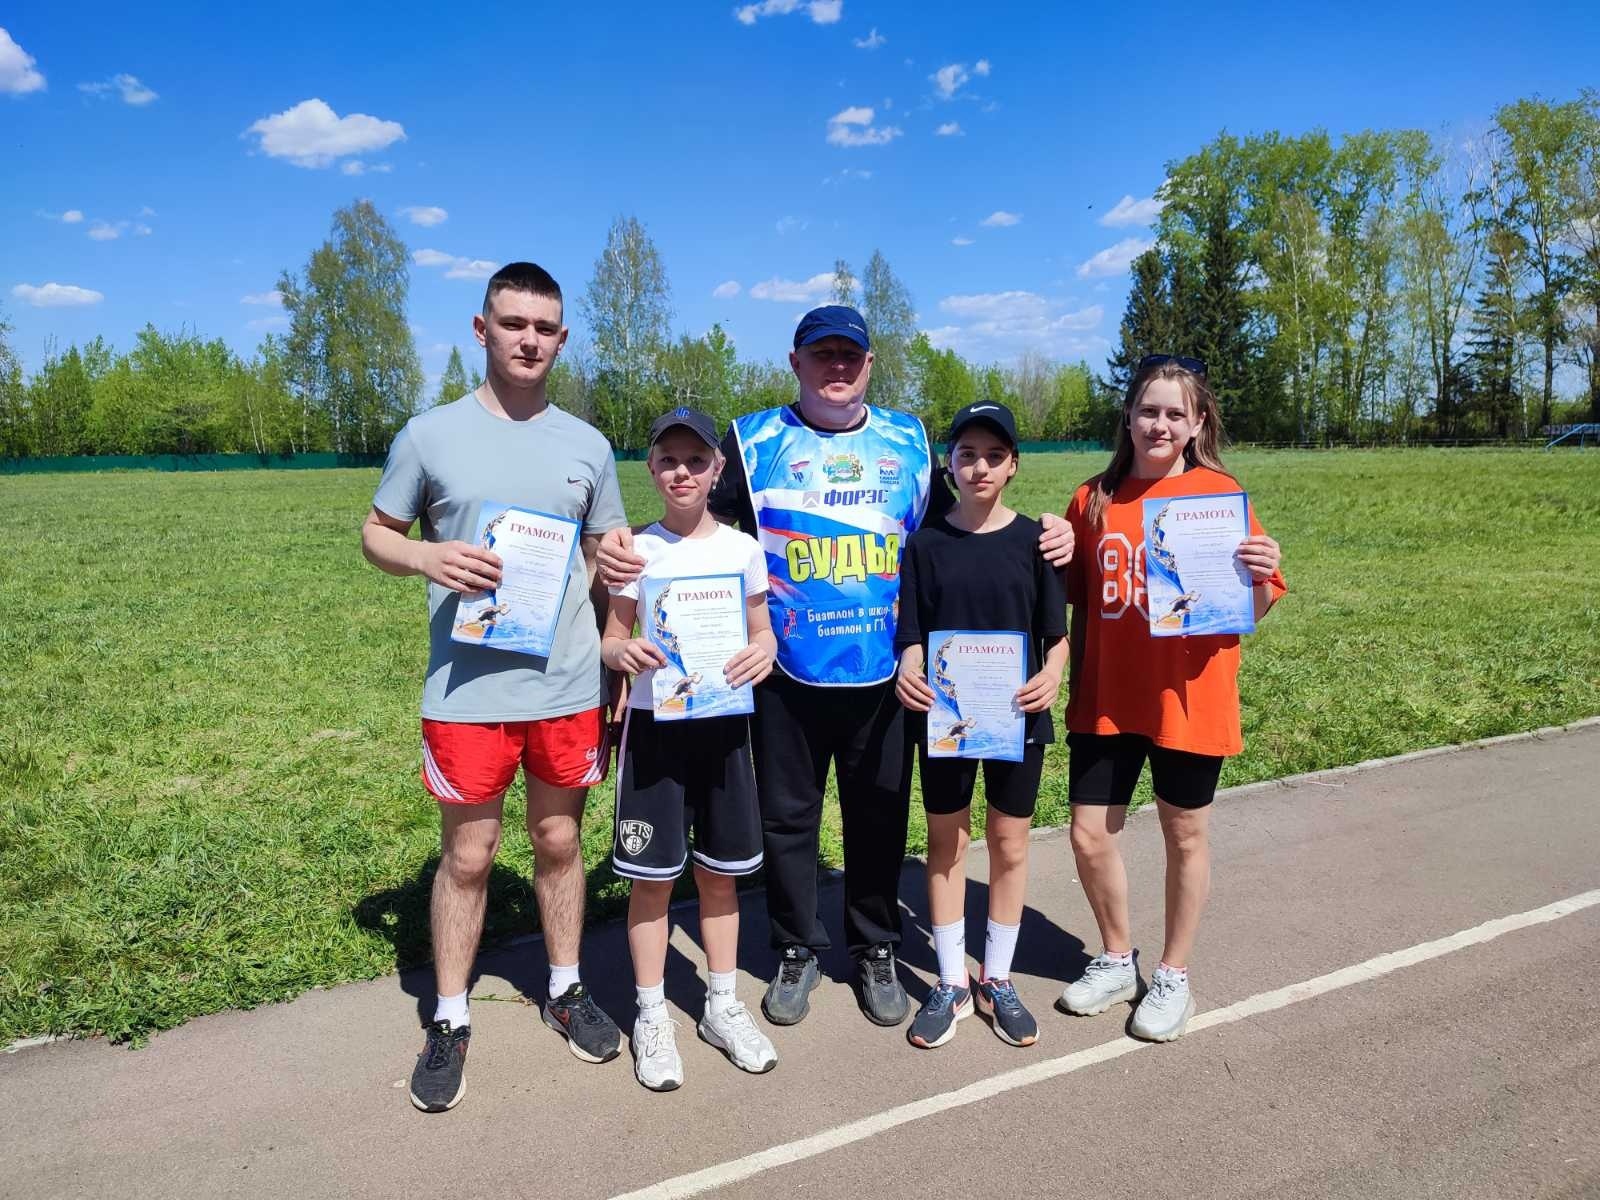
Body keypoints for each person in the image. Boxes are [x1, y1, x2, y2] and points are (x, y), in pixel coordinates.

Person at [599, 306, 1073, 1029]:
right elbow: (695, 525)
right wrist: (621, 551)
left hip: (888, 671)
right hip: (784, 670)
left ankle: (875, 945)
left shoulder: (909, 441)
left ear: (870, 364)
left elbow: (963, 526)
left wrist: (1050, 531)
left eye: (850, 356)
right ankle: (796, 948)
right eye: (822, 355)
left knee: (878, 815)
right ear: (796, 363)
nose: (837, 368)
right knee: (788, 819)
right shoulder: (753, 441)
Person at [362, 262, 627, 1114]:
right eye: (513, 324)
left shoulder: (587, 445)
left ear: (561, 339)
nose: (529, 340)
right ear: (482, 330)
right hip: (468, 691)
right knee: (469, 856)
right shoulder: (430, 435)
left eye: (545, 328)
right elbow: (376, 532)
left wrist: (616, 580)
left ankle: (565, 986)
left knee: (558, 842)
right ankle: (447, 1016)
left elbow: (605, 556)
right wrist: (426, 557)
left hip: (564, 686)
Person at [1056, 354, 1285, 1043]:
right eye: (1148, 410)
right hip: (1106, 694)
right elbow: (1066, 598)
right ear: (1127, 417)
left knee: (1184, 833)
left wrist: (1261, 574)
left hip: (1188, 694)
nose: (1159, 424)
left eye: (1174, 414)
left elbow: (1254, 604)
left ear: (1197, 424)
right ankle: (1116, 957)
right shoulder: (1091, 498)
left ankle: (1173, 974)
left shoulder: (1218, 495)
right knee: (1089, 833)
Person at [601, 406, 780, 1091]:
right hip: (656, 729)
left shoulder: (741, 549)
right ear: (651, 469)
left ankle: (722, 1004)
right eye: (669, 460)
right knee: (653, 879)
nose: (682, 471)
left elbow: (761, 632)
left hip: (724, 727)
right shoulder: (634, 551)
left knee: (721, 872)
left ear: (717, 470)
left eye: (695, 460)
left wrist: (761, 655)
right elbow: (610, 639)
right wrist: (625, 650)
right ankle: (651, 1014)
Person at [893, 402, 1068, 1049]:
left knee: (1010, 844)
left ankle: (996, 977)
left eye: (995, 455)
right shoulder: (927, 544)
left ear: (1015, 465)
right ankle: (950, 983)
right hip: (949, 719)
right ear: (950, 463)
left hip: (1017, 716)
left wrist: (1052, 675)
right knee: (946, 843)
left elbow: (1056, 638)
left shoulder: (1036, 543)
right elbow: (911, 635)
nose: (980, 466)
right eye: (967, 454)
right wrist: (911, 668)